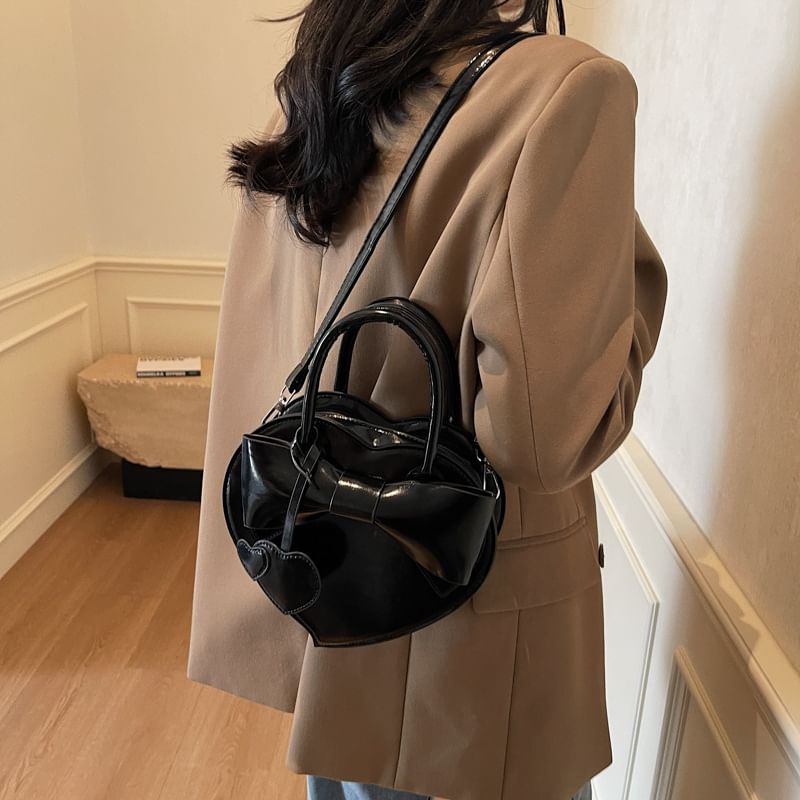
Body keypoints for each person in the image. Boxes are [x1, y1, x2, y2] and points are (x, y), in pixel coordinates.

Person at [186, 1, 668, 799]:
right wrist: (632, 294)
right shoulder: (566, 91)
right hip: (463, 626)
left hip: (323, 578)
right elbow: (544, 438)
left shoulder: (318, 89)